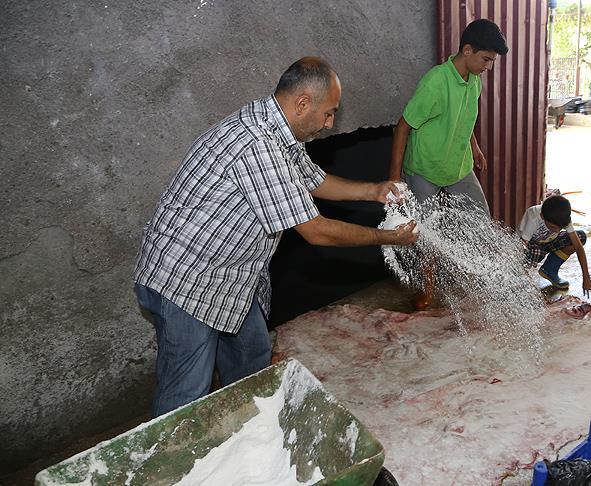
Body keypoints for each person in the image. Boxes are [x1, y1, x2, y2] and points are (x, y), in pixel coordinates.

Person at [133, 57, 418, 417]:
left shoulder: (282, 132)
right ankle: (173, 466)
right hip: (186, 281)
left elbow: (315, 181)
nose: (331, 123)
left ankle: (250, 431)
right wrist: (386, 237)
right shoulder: (258, 145)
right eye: (329, 113)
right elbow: (317, 231)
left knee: (251, 357)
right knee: (186, 392)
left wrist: (373, 190)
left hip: (232, 277)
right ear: (302, 104)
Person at [389, 18, 509, 310]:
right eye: (486, 59)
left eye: (492, 61)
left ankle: (478, 275)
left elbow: (466, 119)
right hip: (425, 168)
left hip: (458, 166)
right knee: (425, 230)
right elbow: (403, 125)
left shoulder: (475, 81)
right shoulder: (436, 82)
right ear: (467, 50)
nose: (488, 67)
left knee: (481, 220)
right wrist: (393, 178)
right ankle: (427, 287)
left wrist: (475, 148)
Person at [518, 195, 591, 298]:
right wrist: (528, 282)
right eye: (552, 227)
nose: (556, 230)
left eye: (560, 228)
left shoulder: (562, 217)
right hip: (531, 245)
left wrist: (586, 278)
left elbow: (578, 247)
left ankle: (550, 269)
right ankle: (518, 279)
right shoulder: (534, 216)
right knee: (533, 253)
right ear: (542, 216)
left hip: (549, 242)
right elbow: (522, 246)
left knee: (580, 237)